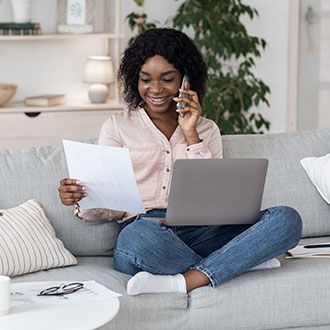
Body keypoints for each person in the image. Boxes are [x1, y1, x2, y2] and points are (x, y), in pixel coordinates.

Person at [58, 28, 302, 296]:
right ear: (134, 80)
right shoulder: (117, 126)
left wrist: (190, 132)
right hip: (145, 230)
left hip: (203, 232)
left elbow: (215, 197)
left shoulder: (207, 129)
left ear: (186, 80)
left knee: (286, 219)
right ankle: (236, 262)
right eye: (145, 79)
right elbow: (109, 208)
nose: (155, 89)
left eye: (167, 79)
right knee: (137, 240)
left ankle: (186, 280)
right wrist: (81, 198)